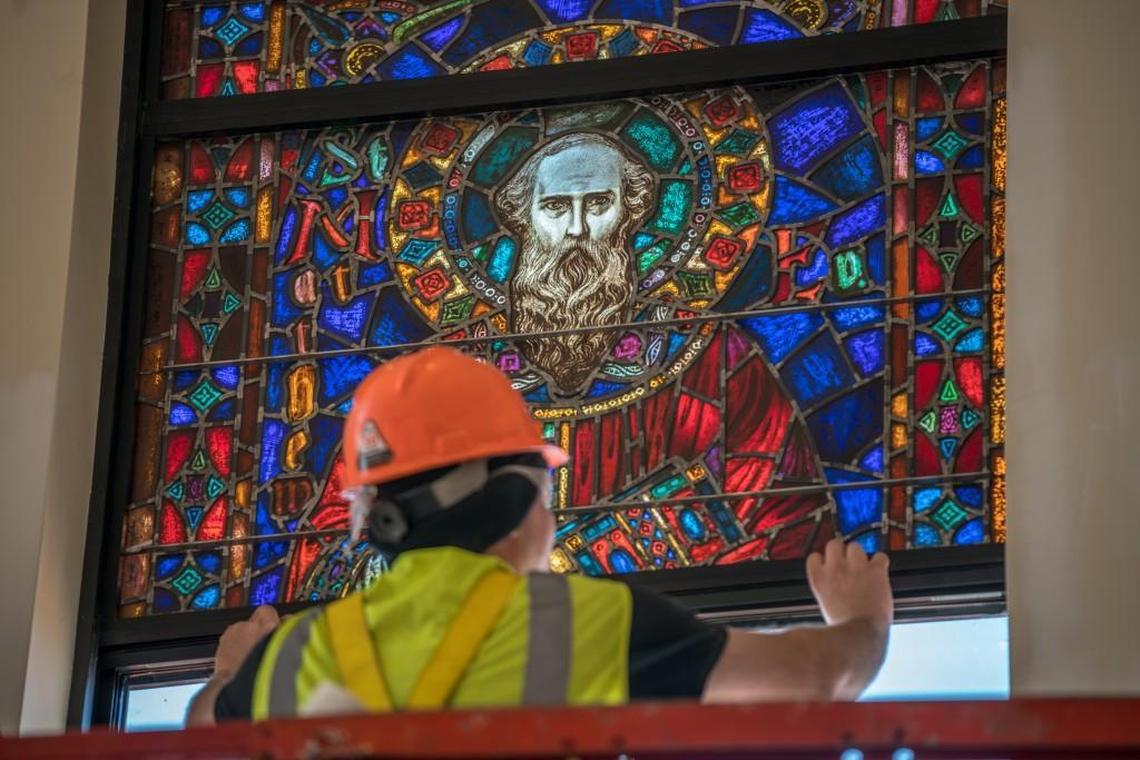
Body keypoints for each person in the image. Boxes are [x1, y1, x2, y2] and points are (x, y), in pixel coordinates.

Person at [187, 347, 892, 724]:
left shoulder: (284, 660)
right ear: (521, 495)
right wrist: (862, 619)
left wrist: (232, 666)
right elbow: (819, 677)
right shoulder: (583, 622)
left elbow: (202, 728)